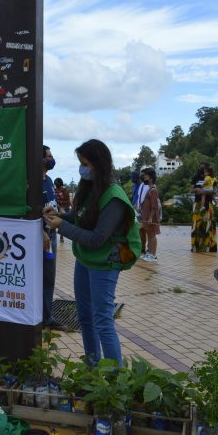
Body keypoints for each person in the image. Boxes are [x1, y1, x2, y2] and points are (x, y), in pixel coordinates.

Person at [43, 139, 141, 365]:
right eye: (80, 163)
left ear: (99, 164)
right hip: (85, 259)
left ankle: (114, 376)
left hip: (105, 263)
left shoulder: (114, 196)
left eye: (85, 164)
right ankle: (92, 367)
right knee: (85, 317)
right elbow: (81, 217)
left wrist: (61, 226)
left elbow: (97, 238)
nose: (82, 169)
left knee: (103, 320)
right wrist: (59, 215)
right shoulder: (90, 189)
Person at [41, 145, 61, 329]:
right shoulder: (31, 181)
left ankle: (47, 317)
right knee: (36, 276)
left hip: (51, 236)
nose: (52, 159)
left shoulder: (49, 180)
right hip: (38, 237)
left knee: (49, 277)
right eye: (49, 156)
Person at [190, 163, 216, 253]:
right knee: (196, 226)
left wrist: (204, 192)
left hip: (208, 204)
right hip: (197, 204)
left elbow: (214, 192)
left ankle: (209, 246)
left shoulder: (212, 178)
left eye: (203, 167)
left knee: (208, 225)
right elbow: (190, 190)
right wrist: (196, 189)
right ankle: (196, 246)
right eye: (200, 167)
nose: (201, 168)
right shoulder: (195, 177)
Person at [139, 168, 160, 262]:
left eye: (146, 175)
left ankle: (152, 255)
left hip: (150, 218)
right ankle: (150, 253)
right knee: (149, 235)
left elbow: (154, 206)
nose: (144, 177)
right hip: (147, 217)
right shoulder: (150, 189)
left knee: (152, 235)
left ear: (151, 177)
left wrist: (151, 218)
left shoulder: (153, 190)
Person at [54, 177, 71, 242]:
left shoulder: (65, 190)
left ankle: (61, 236)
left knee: (62, 223)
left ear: (60, 183)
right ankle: (52, 235)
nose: (56, 185)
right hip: (57, 208)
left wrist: (61, 203)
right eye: (55, 184)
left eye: (56, 183)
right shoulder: (54, 190)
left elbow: (68, 201)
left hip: (64, 208)